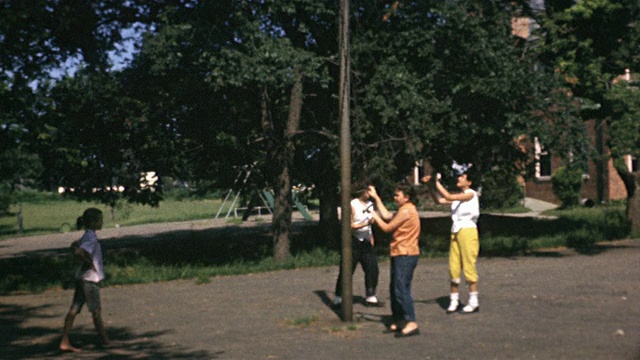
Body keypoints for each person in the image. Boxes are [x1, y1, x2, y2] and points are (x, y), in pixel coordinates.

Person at [422, 168, 481, 314]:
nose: (459, 178)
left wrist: (436, 182)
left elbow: (447, 195)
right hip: (456, 230)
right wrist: (429, 186)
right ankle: (454, 300)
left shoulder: (471, 194)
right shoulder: (459, 197)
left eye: (462, 177)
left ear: (469, 181)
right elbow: (439, 200)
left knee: (468, 265)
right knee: (454, 266)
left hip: (468, 230)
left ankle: (473, 301)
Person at [369, 183, 421, 338]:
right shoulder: (403, 210)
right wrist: (376, 198)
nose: (395, 197)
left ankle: (411, 321)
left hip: (406, 254)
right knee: (394, 288)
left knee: (401, 288)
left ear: (407, 197)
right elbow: (387, 215)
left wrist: (374, 216)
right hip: (398, 252)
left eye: (398, 195)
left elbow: (387, 227)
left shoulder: (406, 211)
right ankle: (399, 319)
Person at [59, 208, 110, 352]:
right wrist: (88, 263)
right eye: (100, 219)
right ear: (93, 222)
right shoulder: (91, 237)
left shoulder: (87, 235)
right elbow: (78, 251)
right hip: (89, 279)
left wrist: (85, 260)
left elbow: (74, 246)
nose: (102, 222)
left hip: (82, 278)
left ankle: (64, 340)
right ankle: (105, 340)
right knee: (96, 311)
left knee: (74, 309)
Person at [333, 183, 381, 307]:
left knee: (372, 268)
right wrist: (366, 223)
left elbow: (371, 224)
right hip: (353, 241)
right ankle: (339, 297)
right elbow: (350, 225)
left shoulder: (370, 205)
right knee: (347, 270)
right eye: (368, 191)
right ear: (362, 191)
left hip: (366, 240)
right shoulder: (352, 204)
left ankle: (371, 295)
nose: (370, 194)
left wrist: (371, 237)